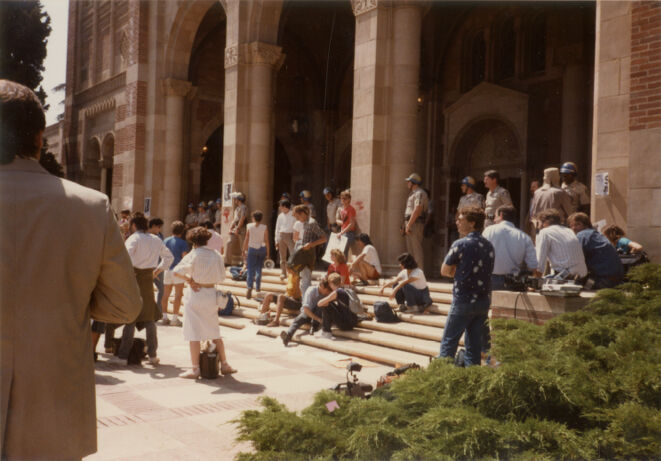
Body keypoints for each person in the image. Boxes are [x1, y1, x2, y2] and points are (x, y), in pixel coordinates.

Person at [0, 79, 142, 459]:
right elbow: (125, 307)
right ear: (39, 137)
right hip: (53, 414)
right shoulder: (90, 206)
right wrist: (68, 298)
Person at [172, 227, 236, 379]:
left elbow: (176, 271)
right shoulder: (216, 255)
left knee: (193, 332)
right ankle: (225, 364)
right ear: (207, 239)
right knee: (214, 330)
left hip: (195, 294)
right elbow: (222, 277)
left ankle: (195, 369)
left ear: (193, 241)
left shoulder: (193, 254)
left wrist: (190, 280)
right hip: (210, 294)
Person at [114, 214, 174, 366]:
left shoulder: (134, 238)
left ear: (134, 225)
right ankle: (152, 355)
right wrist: (158, 271)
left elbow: (124, 256)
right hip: (148, 277)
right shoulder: (155, 239)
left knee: (131, 317)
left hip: (133, 277)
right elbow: (169, 257)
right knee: (149, 317)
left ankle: (123, 356)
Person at [439, 206, 495, 366]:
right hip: (483, 301)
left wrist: (458, 273)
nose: (456, 222)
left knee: (448, 344)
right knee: (474, 349)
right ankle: (471, 383)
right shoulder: (489, 245)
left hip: (463, 300)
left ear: (472, 223)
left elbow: (444, 270)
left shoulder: (461, 244)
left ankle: (440, 382)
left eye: (460, 219)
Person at [482, 205, 539, 289]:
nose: (493, 220)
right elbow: (533, 265)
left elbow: (480, 253)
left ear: (501, 215)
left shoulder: (489, 230)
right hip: (513, 282)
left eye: (495, 216)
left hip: (489, 279)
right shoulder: (524, 237)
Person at [568, 213, 624, 289]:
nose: (573, 228)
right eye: (571, 226)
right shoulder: (597, 235)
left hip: (602, 280)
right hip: (617, 279)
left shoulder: (582, 235)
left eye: (577, 224)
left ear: (586, 225)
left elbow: (576, 259)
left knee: (574, 288)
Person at [535, 208, 587, 279]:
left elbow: (539, 262)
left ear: (545, 222)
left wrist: (534, 282)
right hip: (582, 274)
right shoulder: (568, 230)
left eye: (539, 223)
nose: (538, 226)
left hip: (567, 275)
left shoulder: (545, 232)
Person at [280, 278, 333, 346]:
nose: (328, 292)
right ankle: (288, 335)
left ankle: (314, 326)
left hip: (318, 314)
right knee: (298, 320)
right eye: (327, 290)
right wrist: (318, 319)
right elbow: (306, 309)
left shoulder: (326, 294)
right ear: (322, 286)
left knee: (321, 304)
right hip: (308, 314)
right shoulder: (311, 290)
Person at [290, 205, 327, 295]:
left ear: (302, 214)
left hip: (308, 253)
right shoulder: (304, 223)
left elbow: (324, 238)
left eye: (297, 217)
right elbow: (296, 238)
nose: (297, 219)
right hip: (300, 250)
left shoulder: (312, 223)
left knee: (306, 278)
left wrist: (311, 244)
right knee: (299, 276)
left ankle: (306, 303)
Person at [316, 273, 360, 339]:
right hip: (351, 322)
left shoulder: (336, 292)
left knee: (326, 305)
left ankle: (326, 332)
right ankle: (325, 329)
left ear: (330, 283)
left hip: (346, 325)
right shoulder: (343, 290)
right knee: (329, 303)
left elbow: (319, 304)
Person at [162, 220, 189, 326]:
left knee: (166, 294)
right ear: (182, 231)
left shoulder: (166, 240)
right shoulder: (183, 243)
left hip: (167, 269)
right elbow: (184, 257)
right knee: (178, 295)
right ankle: (174, 318)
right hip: (179, 270)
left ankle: (164, 317)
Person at [403, 173, 429, 270]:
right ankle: (412, 273)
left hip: (415, 223)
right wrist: (405, 225)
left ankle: (419, 274)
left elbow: (417, 209)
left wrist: (409, 224)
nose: (407, 183)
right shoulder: (412, 194)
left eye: (409, 181)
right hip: (410, 222)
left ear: (414, 182)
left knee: (416, 249)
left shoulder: (420, 193)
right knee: (411, 251)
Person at [242, 210, 270, 299]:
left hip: (252, 248)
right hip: (262, 248)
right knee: (259, 268)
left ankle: (249, 287)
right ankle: (257, 287)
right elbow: (266, 240)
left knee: (250, 269)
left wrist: (243, 249)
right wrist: (268, 253)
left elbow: (246, 238)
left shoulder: (249, 226)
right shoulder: (264, 227)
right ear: (261, 219)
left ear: (253, 218)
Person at [275, 199, 296, 279]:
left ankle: (293, 272)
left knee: (292, 255)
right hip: (281, 235)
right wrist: (276, 240)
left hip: (290, 235)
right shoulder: (280, 216)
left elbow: (296, 226)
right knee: (282, 256)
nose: (280, 208)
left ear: (284, 206)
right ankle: (283, 272)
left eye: (280, 206)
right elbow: (277, 228)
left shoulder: (293, 215)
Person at [148, 217, 165, 314]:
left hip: (158, 266)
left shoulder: (160, 236)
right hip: (148, 266)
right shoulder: (146, 237)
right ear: (154, 226)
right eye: (159, 227)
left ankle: (158, 310)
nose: (160, 229)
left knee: (161, 289)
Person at [226, 191, 248, 265]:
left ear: (239, 200)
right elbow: (234, 219)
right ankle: (227, 261)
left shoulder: (243, 207)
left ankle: (244, 262)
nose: (234, 200)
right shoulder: (237, 208)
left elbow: (242, 218)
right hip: (235, 227)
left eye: (235, 199)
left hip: (241, 228)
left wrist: (238, 228)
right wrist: (230, 228)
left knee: (243, 245)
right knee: (229, 243)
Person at [336, 189, 358, 258]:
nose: (343, 200)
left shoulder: (351, 209)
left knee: (341, 252)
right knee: (341, 253)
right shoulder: (341, 209)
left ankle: (343, 267)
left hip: (349, 233)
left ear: (349, 199)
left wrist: (341, 232)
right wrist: (339, 222)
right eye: (341, 198)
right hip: (343, 232)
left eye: (345, 198)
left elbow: (352, 224)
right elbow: (337, 220)